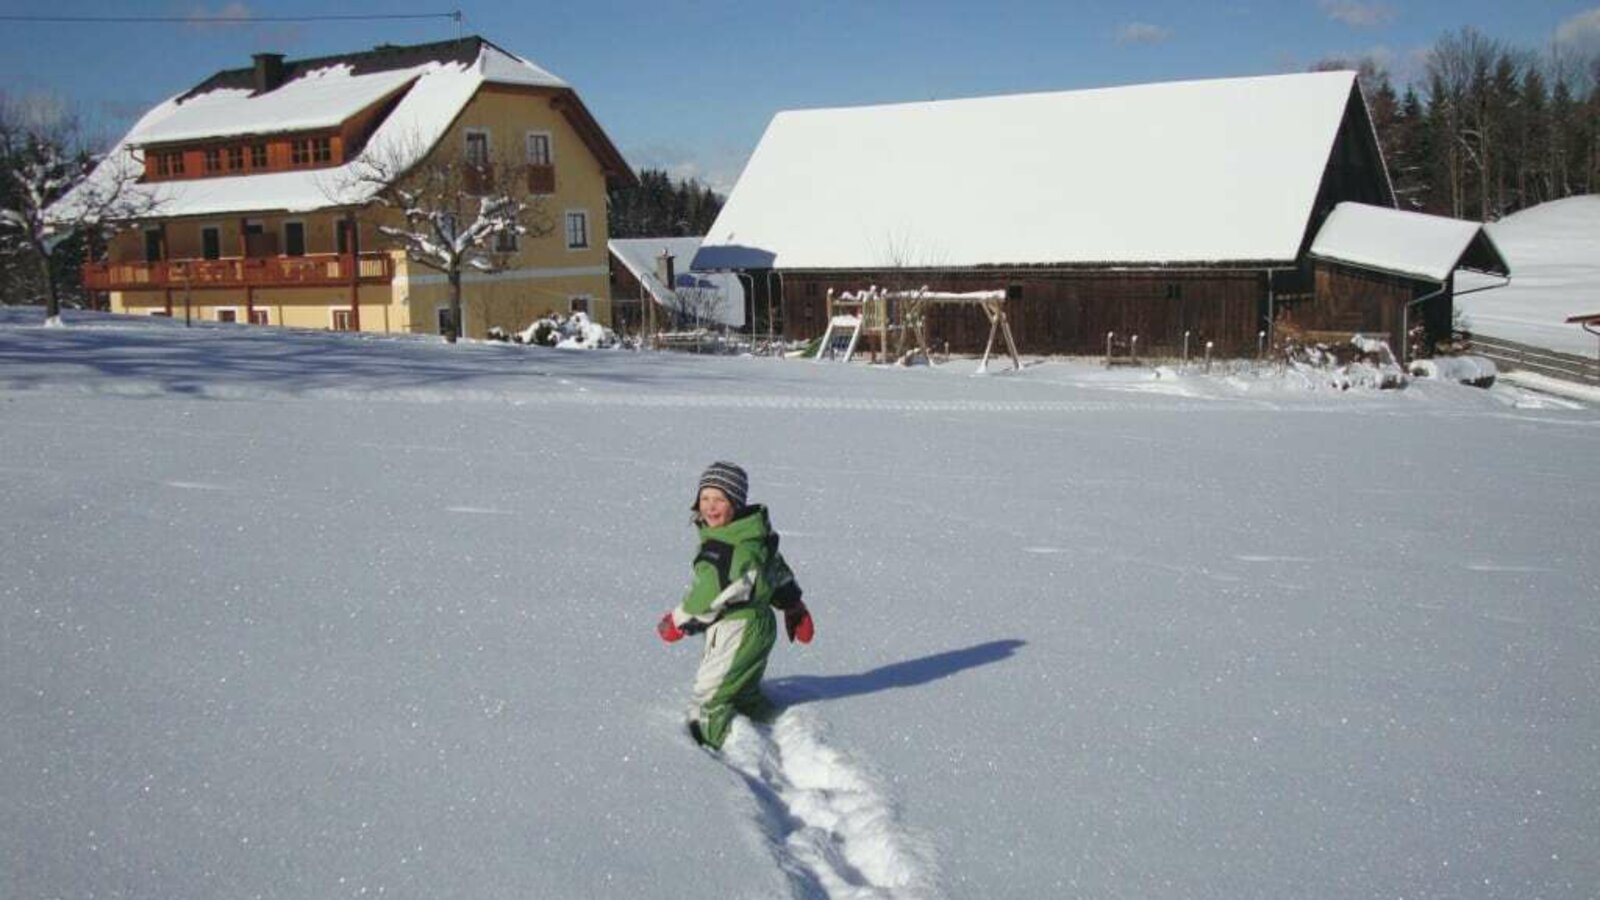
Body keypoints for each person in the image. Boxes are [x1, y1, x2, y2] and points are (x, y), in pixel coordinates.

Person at [657, 461, 813, 749]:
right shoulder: (754, 538)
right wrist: (794, 606)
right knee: (742, 689)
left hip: (735, 627)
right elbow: (776, 571)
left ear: (736, 502)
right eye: (705, 498)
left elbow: (706, 595)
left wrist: (677, 621)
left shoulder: (723, 548)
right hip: (761, 624)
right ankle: (773, 724)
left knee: (711, 695)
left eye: (720, 499)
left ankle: (713, 748)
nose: (710, 506)